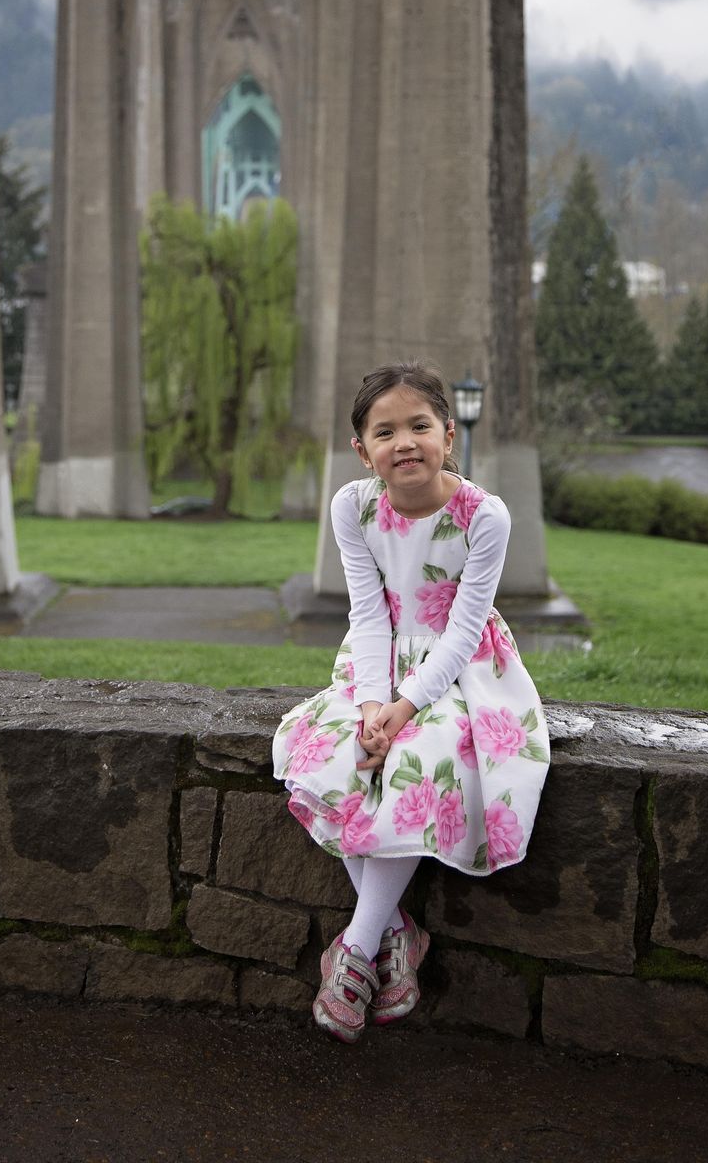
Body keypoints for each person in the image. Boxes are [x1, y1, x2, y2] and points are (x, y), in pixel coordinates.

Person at [273, 361, 550, 1043]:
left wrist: (405, 707)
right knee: (333, 753)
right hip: (378, 659)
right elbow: (368, 616)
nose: (405, 443)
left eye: (420, 426)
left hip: (463, 670)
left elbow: (462, 633)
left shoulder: (484, 516)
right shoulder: (353, 506)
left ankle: (356, 956)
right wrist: (372, 706)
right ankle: (398, 931)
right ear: (361, 449)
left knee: (418, 762)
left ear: (448, 435)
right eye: (385, 431)